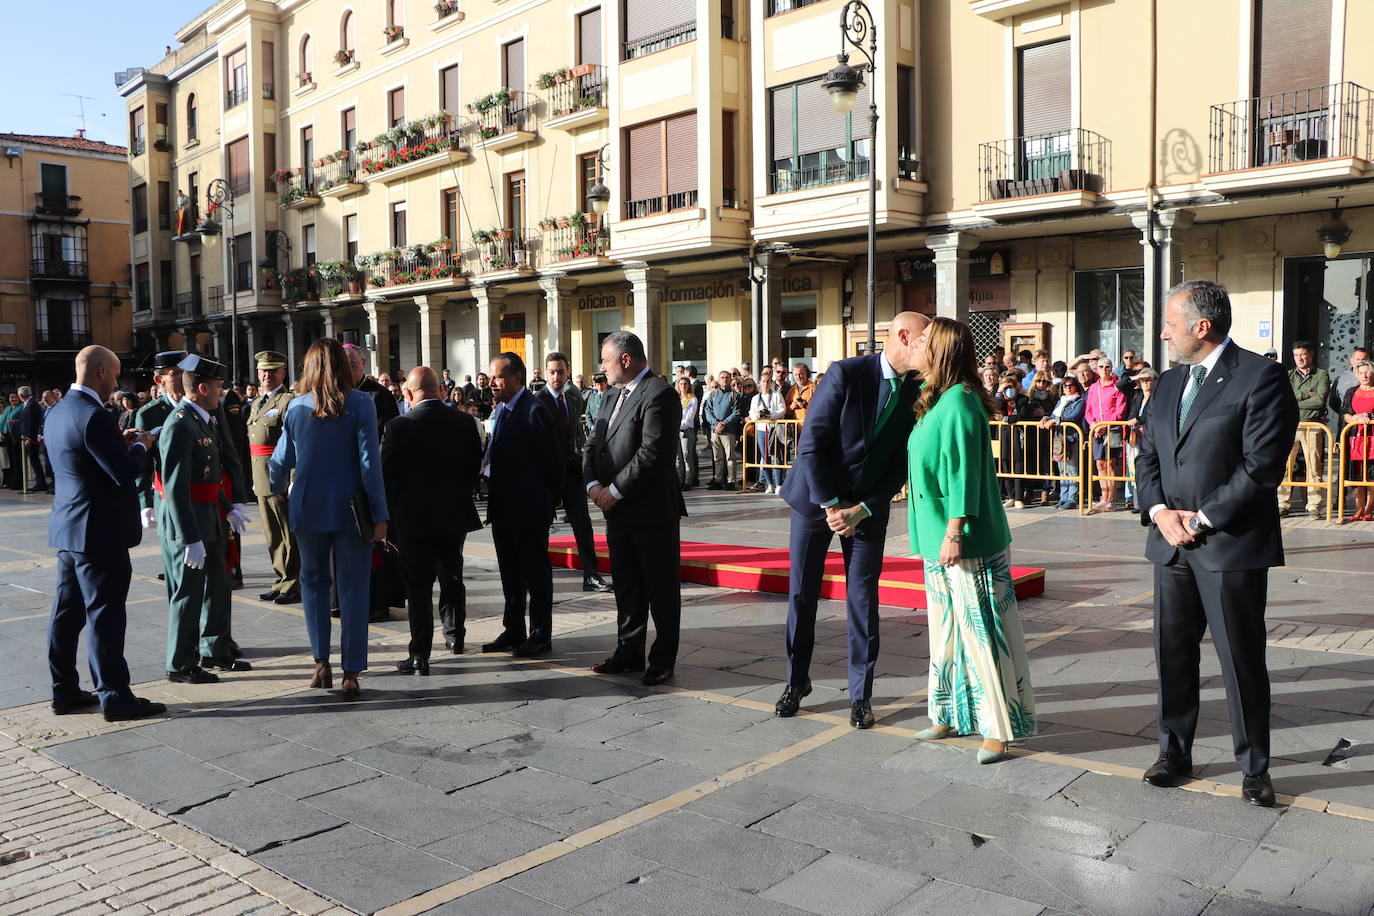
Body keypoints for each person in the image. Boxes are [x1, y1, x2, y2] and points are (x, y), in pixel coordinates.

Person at [1135, 279, 1299, 808]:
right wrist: (1159, 513)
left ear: (1201, 327)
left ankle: (1254, 768)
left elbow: (1261, 468)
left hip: (1228, 545)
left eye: (1169, 324)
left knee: (1240, 660)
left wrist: (1201, 519)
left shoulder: (1260, 377)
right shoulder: (1166, 384)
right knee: (1172, 655)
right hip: (1171, 545)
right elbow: (1147, 456)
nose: (1162, 334)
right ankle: (1173, 752)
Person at [774, 311, 930, 728]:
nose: (929, 348)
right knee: (802, 594)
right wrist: (830, 506)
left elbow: (902, 462)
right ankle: (796, 681)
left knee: (863, 600)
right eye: (924, 339)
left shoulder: (918, 389)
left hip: (866, 508)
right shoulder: (846, 373)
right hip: (815, 500)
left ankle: (861, 695)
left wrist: (864, 507)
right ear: (902, 336)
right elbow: (812, 444)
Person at [905, 318, 1035, 763]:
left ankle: (999, 728)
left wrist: (955, 531)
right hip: (935, 536)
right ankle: (948, 712)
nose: (914, 347)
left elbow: (963, 473)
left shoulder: (959, 401)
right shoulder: (936, 398)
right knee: (947, 633)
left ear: (940, 350)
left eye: (922, 342)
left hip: (964, 538)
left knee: (983, 633)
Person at [46, 346, 167, 722]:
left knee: (67, 614)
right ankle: (114, 696)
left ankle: (63, 690)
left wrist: (119, 440)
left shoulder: (57, 410)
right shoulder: (94, 415)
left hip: (69, 528)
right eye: (114, 375)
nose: (117, 382)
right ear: (100, 372)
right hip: (99, 532)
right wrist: (139, 445)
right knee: (105, 614)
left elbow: (83, 460)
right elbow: (123, 471)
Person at [271, 339, 388, 699]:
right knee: (353, 589)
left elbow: (279, 460)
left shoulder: (295, 407)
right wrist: (380, 513)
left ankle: (320, 662)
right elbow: (370, 464)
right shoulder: (360, 404)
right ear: (341, 364)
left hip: (307, 508)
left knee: (314, 585)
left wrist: (277, 488)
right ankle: (351, 671)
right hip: (351, 510)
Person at [585, 331, 685, 686]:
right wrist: (592, 484)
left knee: (660, 587)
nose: (601, 367)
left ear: (625, 360)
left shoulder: (660, 394)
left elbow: (652, 453)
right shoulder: (610, 395)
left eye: (605, 359)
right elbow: (593, 442)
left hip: (652, 511)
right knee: (627, 586)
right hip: (617, 512)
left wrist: (614, 489)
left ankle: (662, 658)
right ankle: (628, 651)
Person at [158, 354, 253, 684]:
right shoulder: (180, 424)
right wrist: (189, 537)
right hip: (191, 524)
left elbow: (208, 477)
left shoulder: (203, 419)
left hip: (209, 514)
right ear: (201, 388)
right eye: (217, 386)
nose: (220, 391)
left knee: (218, 585)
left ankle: (214, 649)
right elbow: (175, 487)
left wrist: (228, 506)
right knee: (189, 593)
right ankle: (181, 662)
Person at [383, 367, 483, 673]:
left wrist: (389, 517)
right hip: (453, 516)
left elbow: (386, 477)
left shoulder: (398, 426)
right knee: (452, 576)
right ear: (440, 389)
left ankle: (420, 653)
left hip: (413, 520)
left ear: (408, 394)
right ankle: (456, 637)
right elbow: (474, 469)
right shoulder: (465, 422)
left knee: (418, 586)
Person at [482, 352, 563, 658]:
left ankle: (540, 633)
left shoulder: (534, 410)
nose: (491, 383)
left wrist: (547, 500)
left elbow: (553, 462)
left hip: (528, 509)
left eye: (498, 376)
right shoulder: (502, 410)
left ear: (517, 378)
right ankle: (513, 628)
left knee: (535, 573)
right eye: (491, 376)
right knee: (510, 573)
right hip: (503, 508)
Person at [536, 352, 611, 593]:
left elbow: (577, 434)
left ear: (568, 372)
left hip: (572, 471)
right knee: (541, 527)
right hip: (548, 475)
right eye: (552, 372)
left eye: (561, 371)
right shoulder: (538, 400)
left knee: (583, 524)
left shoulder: (573, 397)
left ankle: (591, 575)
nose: (556, 376)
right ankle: (537, 576)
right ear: (546, 372)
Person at [344, 343, 401, 620]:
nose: (350, 369)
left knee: (377, 542)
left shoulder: (379, 394)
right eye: (345, 364)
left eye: (354, 364)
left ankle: (379, 602)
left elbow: (391, 434)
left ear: (363, 364)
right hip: (346, 480)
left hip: (376, 476)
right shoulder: (337, 393)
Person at [246, 351, 300, 603]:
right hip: (261, 477)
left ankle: (292, 584)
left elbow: (293, 445)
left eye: (273, 370)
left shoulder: (288, 401)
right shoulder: (257, 403)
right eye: (263, 371)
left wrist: (289, 480)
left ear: (283, 374)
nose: (267, 375)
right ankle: (280, 580)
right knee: (271, 534)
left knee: (288, 534)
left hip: (279, 478)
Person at [1277, 341, 1330, 519]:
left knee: (1314, 467)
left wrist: (1294, 399)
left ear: (1311, 355)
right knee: (1284, 466)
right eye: (1296, 355)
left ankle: (1314, 505)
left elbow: (1320, 400)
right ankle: (1282, 504)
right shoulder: (1288, 374)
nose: (1300, 358)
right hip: (1288, 424)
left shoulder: (1321, 374)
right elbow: (1282, 398)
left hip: (1312, 425)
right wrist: (1306, 394)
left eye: (1303, 354)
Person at [1086, 357, 1127, 511]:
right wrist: (1094, 425)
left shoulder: (1117, 386)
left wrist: (1106, 425)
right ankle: (1103, 498)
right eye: (1101, 367)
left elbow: (1120, 410)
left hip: (1112, 429)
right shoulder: (1093, 387)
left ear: (1111, 368)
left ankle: (1111, 499)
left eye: (1107, 367)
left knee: (1110, 464)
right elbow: (1088, 410)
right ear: (1097, 369)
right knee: (1100, 464)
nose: (1104, 369)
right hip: (1096, 430)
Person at [1041, 374, 1086, 510]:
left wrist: (1054, 421)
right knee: (1062, 470)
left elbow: (1073, 417)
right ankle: (1063, 497)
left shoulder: (1080, 401)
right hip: (1059, 438)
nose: (1067, 388)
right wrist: (1045, 418)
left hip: (1072, 439)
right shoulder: (1061, 401)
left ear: (1075, 387)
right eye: (1064, 386)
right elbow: (1054, 415)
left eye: (1070, 385)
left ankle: (1072, 498)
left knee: (1072, 470)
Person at [1340, 361, 1374, 521]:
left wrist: (1368, 416)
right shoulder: (1351, 391)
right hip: (1355, 438)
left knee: (1371, 474)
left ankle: (1368, 508)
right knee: (1357, 473)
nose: (1365, 375)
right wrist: (1355, 417)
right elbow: (1345, 413)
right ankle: (1359, 507)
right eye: (1361, 373)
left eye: (1367, 372)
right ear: (1357, 375)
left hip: (1372, 438)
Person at [1121, 368, 1158, 513]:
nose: (1146, 383)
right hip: (1134, 438)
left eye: (1149, 379)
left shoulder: (1158, 395)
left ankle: (1146, 503)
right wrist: (1137, 376)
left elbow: (1152, 415)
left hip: (1149, 438)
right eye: (1143, 381)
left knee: (1147, 469)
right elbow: (1121, 385)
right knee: (1133, 469)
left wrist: (1139, 420)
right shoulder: (1137, 395)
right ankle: (1137, 503)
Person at [750, 372, 788, 495]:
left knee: (777, 456)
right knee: (764, 457)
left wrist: (771, 416)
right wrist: (757, 416)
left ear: (771, 383)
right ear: (759, 383)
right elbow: (751, 412)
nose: (765, 384)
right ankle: (769, 484)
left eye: (768, 381)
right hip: (761, 429)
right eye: (763, 381)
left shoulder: (777, 395)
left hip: (775, 429)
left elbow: (782, 410)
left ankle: (778, 484)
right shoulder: (755, 398)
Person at [704, 370, 742, 490]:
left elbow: (736, 413)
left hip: (728, 431)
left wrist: (724, 423)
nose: (724, 380)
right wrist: (716, 424)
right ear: (718, 380)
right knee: (717, 458)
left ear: (730, 379)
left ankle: (731, 481)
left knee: (730, 457)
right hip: (715, 431)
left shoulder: (734, 395)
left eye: (726, 377)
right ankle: (718, 480)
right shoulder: (713, 394)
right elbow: (707, 410)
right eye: (722, 377)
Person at [19, 386, 52, 491]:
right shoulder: (28, 404)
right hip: (28, 437)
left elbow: (33, 422)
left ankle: (41, 482)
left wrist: (29, 437)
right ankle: (40, 480)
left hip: (31, 438)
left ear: (20, 396)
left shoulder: (32, 404)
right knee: (33, 460)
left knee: (35, 460)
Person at [675, 377, 701, 490]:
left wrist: (677, 425)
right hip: (676, 431)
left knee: (687, 455)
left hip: (686, 430)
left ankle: (688, 480)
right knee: (679, 457)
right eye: (681, 384)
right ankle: (680, 480)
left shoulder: (692, 399)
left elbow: (689, 417)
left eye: (685, 384)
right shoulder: (676, 398)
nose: (683, 386)